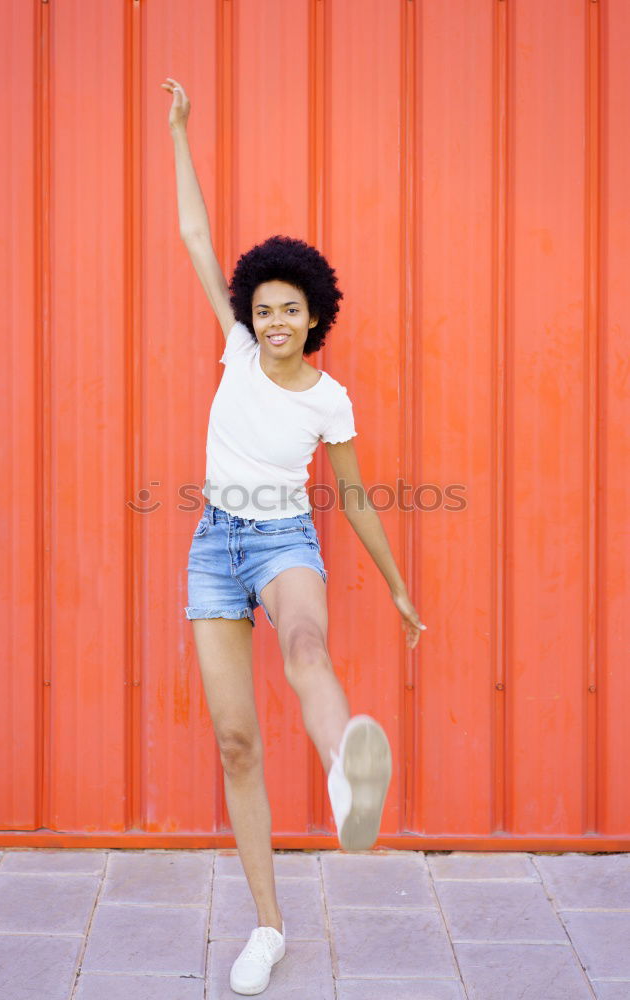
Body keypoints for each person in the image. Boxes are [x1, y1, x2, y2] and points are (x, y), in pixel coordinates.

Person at [161, 77, 427, 996]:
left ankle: (347, 783)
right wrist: (180, 133)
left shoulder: (330, 400)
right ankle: (267, 927)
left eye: (289, 309)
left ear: (315, 315)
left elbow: (353, 500)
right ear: (253, 313)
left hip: (282, 543)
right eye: (262, 307)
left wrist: (394, 583)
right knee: (236, 742)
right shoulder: (236, 347)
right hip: (212, 547)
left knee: (309, 646)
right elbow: (196, 237)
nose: (273, 321)